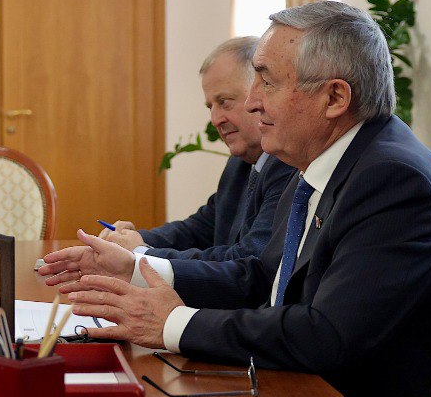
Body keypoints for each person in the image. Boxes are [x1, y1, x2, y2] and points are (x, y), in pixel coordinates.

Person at [40, 0, 431, 397]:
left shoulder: (394, 181)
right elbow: (261, 276)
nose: (252, 101)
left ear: (335, 99)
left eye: (267, 81)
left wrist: (171, 323)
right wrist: (136, 269)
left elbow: (327, 336)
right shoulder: (326, 164)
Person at [101, 36, 294, 261]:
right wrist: (131, 239)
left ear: (259, 95)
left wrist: (142, 252)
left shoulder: (287, 164)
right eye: (210, 107)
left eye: (224, 102)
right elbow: (201, 228)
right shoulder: (239, 164)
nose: (215, 119)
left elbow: (247, 261)